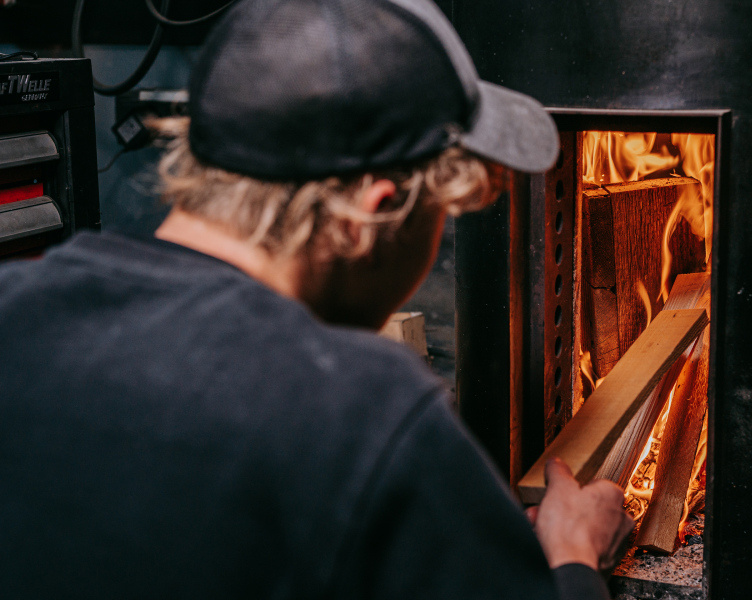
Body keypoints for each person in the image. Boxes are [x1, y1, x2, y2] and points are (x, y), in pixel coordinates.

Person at [0, 0, 633, 598]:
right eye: (441, 212)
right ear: (374, 212)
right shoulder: (361, 408)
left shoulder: (12, 307)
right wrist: (574, 558)